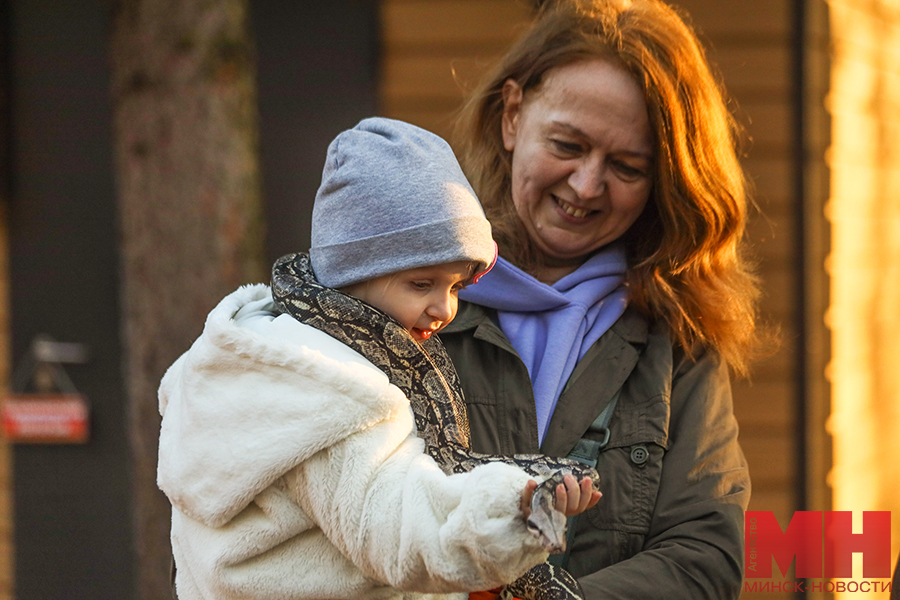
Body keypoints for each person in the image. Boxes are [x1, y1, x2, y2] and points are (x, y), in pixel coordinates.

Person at [157, 117, 598, 600]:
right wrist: (518, 513)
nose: (445, 308)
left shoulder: (259, 356)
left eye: (455, 286)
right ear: (350, 276)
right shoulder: (329, 396)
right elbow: (399, 529)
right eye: (421, 284)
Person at [442, 1, 768, 598]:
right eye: (567, 145)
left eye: (627, 167)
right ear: (513, 116)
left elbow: (704, 558)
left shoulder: (677, 343)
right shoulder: (412, 295)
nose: (588, 186)